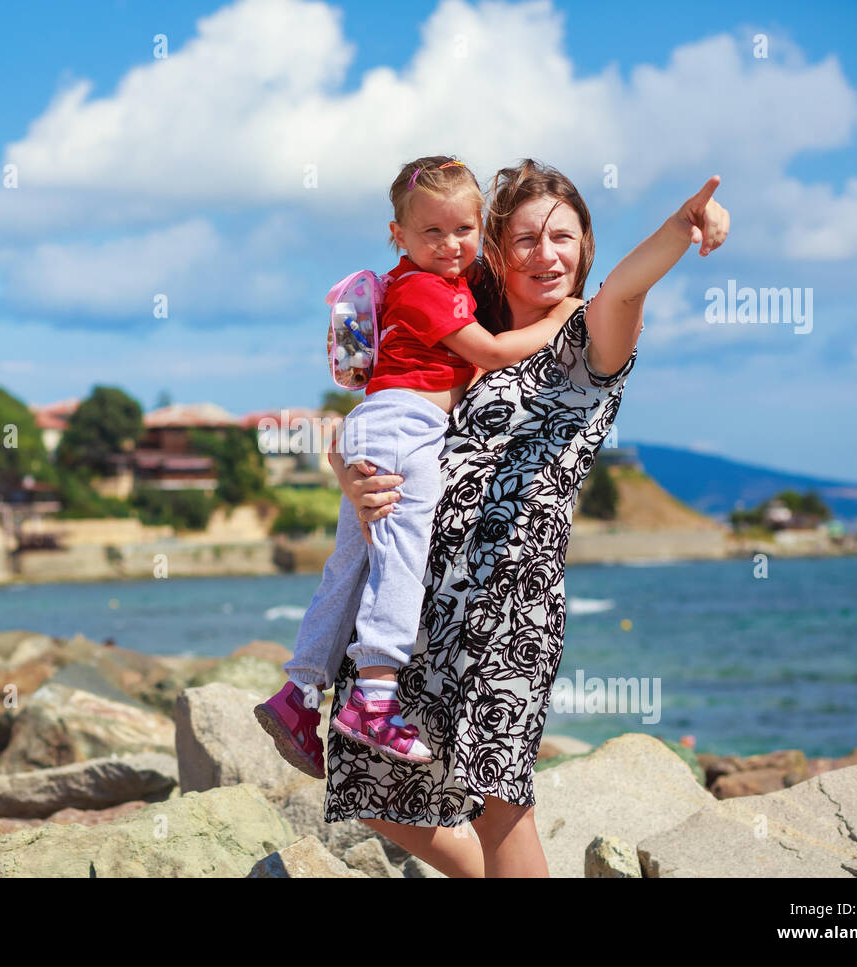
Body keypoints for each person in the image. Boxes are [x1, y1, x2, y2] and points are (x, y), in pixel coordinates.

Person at [321, 159, 729, 877]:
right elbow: (369, 419)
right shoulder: (459, 336)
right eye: (529, 240)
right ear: (496, 255)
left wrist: (682, 224)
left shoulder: (588, 334)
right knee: (370, 785)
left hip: (509, 603)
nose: (549, 254)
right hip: (411, 598)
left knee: (498, 799)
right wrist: (348, 479)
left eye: (564, 238)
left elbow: (630, 282)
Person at [254, 156, 577, 777]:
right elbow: (491, 350)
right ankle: (374, 697)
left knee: (349, 566)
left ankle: (298, 694)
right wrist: (562, 317)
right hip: (404, 427)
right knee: (404, 553)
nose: (452, 245)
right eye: (433, 232)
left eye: (465, 230)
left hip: (379, 424)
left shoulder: (445, 280)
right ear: (397, 235)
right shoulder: (421, 288)